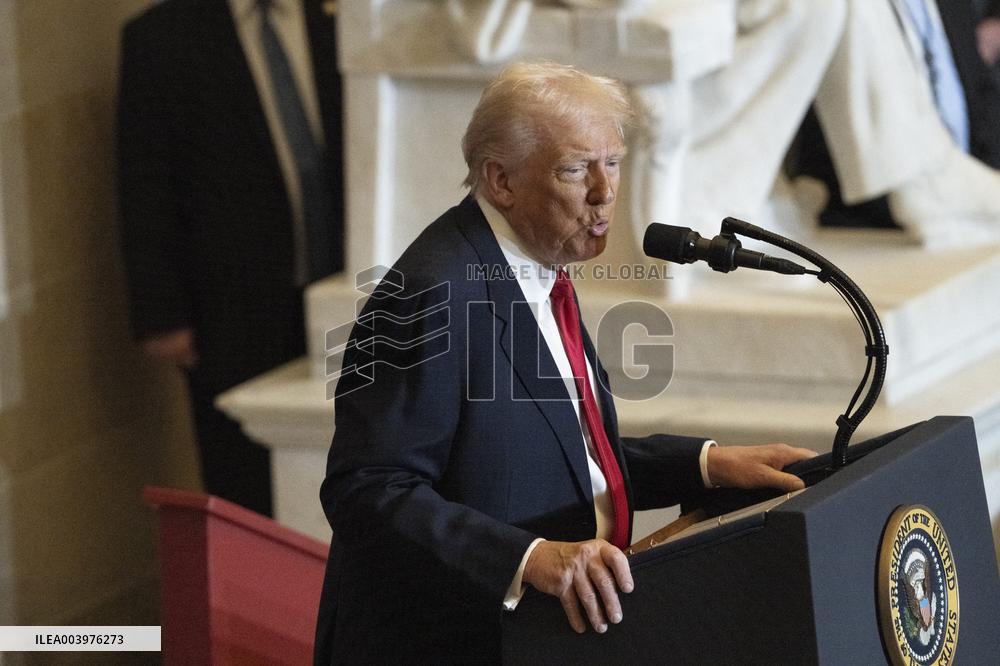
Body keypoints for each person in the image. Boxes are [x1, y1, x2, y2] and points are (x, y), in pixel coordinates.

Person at [313, 62, 816, 664]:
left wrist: (707, 464)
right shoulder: (432, 293)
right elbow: (365, 489)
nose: (605, 192)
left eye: (613, 162)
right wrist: (527, 559)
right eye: (576, 170)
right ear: (502, 180)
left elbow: (565, 454)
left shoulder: (534, 263)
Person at [117, 0, 345, 516]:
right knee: (245, 487)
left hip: (348, 290)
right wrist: (162, 315)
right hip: (231, 306)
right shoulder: (162, 37)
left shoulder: (339, 18)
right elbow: (145, 183)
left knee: (354, 468)